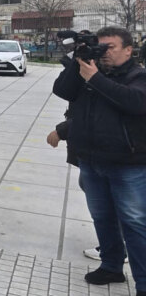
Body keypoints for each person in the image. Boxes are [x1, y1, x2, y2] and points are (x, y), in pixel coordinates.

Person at [53, 26, 146, 294]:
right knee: (102, 218)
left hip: (128, 164)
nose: (104, 53)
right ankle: (112, 266)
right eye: (100, 46)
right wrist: (78, 61)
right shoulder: (89, 72)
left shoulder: (137, 76)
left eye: (110, 47)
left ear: (129, 50)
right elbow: (62, 90)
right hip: (92, 161)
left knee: (135, 224)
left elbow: (135, 102)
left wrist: (95, 78)